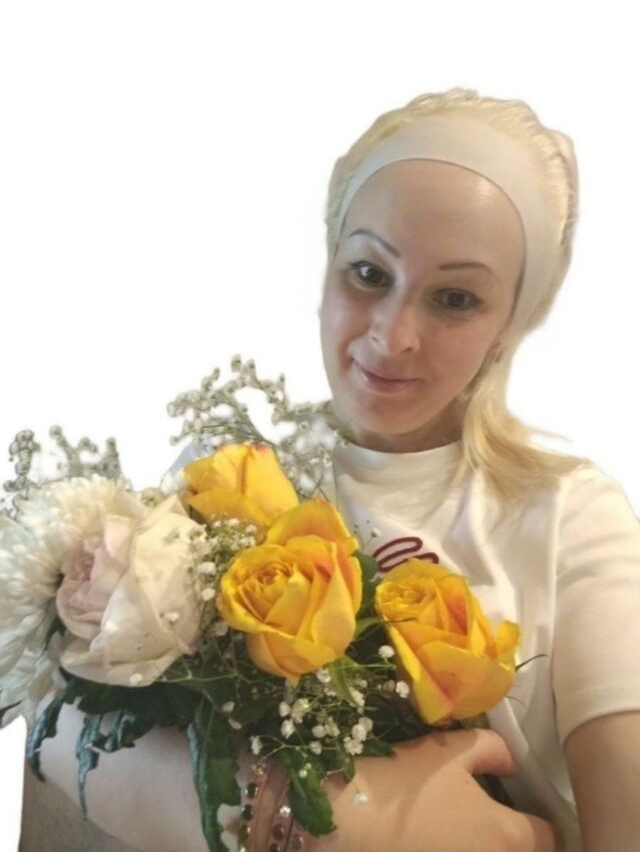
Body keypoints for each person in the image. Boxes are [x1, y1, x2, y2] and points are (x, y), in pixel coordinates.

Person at [22, 87, 640, 852]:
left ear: (511, 323)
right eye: (370, 273)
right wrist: (338, 823)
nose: (393, 335)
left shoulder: (570, 515)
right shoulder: (225, 476)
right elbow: (56, 716)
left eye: (454, 298)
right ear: (328, 263)